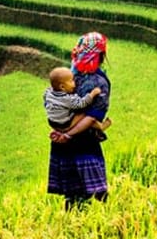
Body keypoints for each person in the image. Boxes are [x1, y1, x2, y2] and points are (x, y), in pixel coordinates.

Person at [47, 32, 111, 209]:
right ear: (101, 55)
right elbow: (92, 117)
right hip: (84, 141)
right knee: (97, 191)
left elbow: (53, 105)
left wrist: (61, 131)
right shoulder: (98, 82)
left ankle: (72, 225)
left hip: (61, 140)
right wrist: (68, 134)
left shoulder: (69, 75)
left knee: (71, 194)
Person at [43, 65, 110, 142]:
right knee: (87, 113)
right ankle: (99, 127)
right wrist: (92, 94)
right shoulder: (67, 99)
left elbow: (45, 97)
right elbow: (82, 103)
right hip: (65, 123)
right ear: (62, 87)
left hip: (52, 122)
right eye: (71, 81)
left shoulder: (48, 92)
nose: (75, 83)